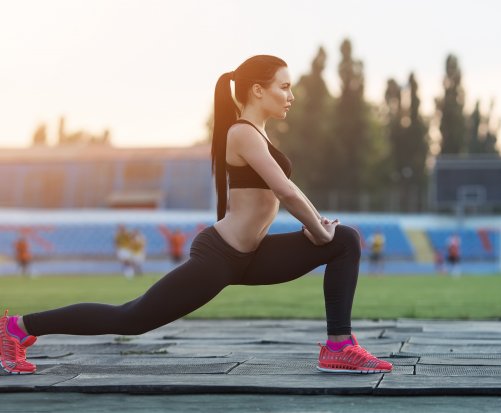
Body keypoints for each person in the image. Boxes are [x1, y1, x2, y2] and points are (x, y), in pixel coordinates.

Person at [0, 55, 392, 375]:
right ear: (258, 90)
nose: (291, 95)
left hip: (252, 256)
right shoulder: (241, 133)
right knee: (131, 319)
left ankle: (339, 346)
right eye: (284, 86)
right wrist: (317, 229)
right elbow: (283, 190)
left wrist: (322, 233)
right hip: (221, 257)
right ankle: (17, 327)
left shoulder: (258, 133)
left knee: (346, 241)